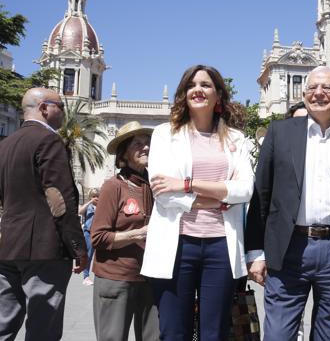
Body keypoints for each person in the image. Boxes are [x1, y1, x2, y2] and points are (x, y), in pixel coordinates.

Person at [245, 65, 330, 340]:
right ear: (305, 93)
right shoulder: (279, 132)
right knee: (278, 334)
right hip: (288, 248)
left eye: (327, 88)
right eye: (312, 88)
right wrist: (255, 252)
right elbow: (261, 194)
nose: (318, 93)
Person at [141, 64, 254, 341]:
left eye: (205, 85)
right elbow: (163, 194)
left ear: (218, 95)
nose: (198, 90)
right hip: (177, 245)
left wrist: (187, 185)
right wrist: (217, 200)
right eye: (192, 85)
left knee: (214, 333)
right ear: (184, 94)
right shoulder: (164, 135)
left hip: (220, 247)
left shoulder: (237, 139)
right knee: (173, 332)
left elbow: (244, 190)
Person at [0, 88, 87, 340]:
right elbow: (59, 198)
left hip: (8, 248)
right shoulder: (48, 140)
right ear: (45, 108)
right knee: (43, 329)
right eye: (61, 105)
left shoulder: (5, 145)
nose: (64, 110)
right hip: (44, 250)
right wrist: (78, 247)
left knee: (3, 324)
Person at [90, 121, 159, 340]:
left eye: (147, 143)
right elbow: (98, 237)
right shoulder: (114, 186)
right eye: (137, 144)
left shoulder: (155, 186)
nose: (145, 147)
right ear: (124, 154)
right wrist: (138, 234)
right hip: (115, 280)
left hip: (150, 279)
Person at [79, 187, 99, 286]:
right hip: (89, 233)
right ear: (90, 197)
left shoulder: (101, 206)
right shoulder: (89, 206)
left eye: (97, 196)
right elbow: (80, 211)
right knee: (89, 255)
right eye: (93, 196)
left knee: (100, 256)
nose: (96, 198)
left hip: (99, 233)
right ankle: (86, 277)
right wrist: (89, 202)